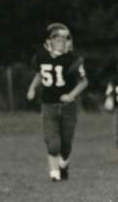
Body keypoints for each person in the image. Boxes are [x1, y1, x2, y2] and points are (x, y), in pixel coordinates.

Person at [25, 22, 87, 181]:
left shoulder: (72, 60)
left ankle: (63, 164)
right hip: (48, 105)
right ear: (49, 41)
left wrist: (71, 95)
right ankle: (54, 173)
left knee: (66, 144)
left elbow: (83, 82)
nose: (61, 42)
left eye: (64, 39)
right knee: (52, 143)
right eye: (57, 39)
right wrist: (32, 88)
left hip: (68, 107)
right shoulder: (40, 57)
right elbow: (40, 74)